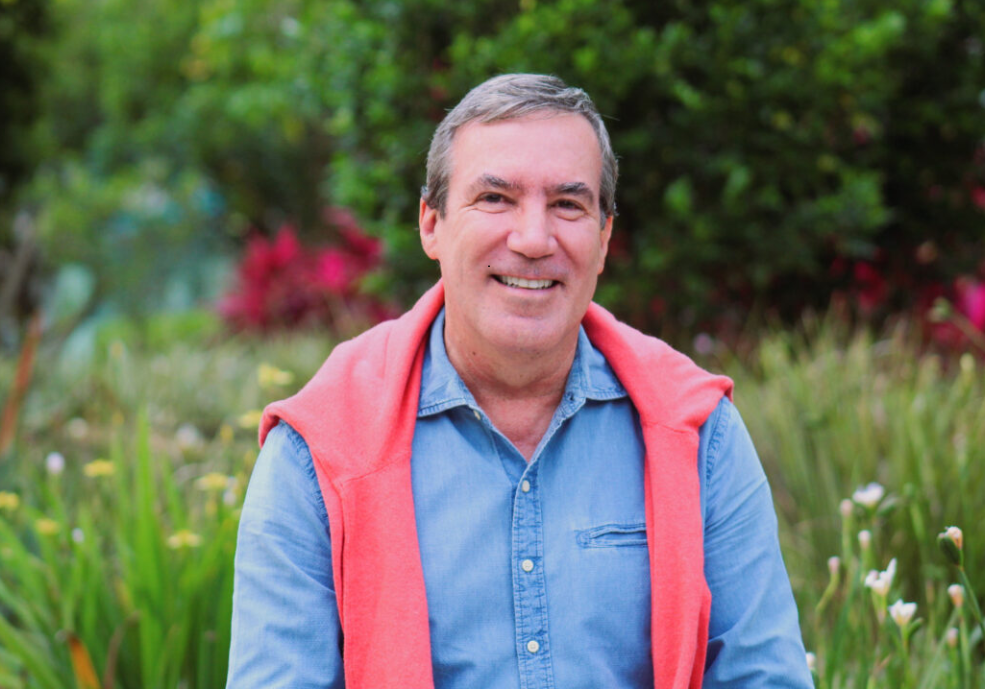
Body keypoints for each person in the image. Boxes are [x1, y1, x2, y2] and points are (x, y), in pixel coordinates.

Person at [226, 73, 814, 689]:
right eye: (496, 199)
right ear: (432, 224)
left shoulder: (698, 433)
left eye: (568, 204)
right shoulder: (316, 453)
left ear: (605, 236)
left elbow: (761, 676)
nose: (534, 240)